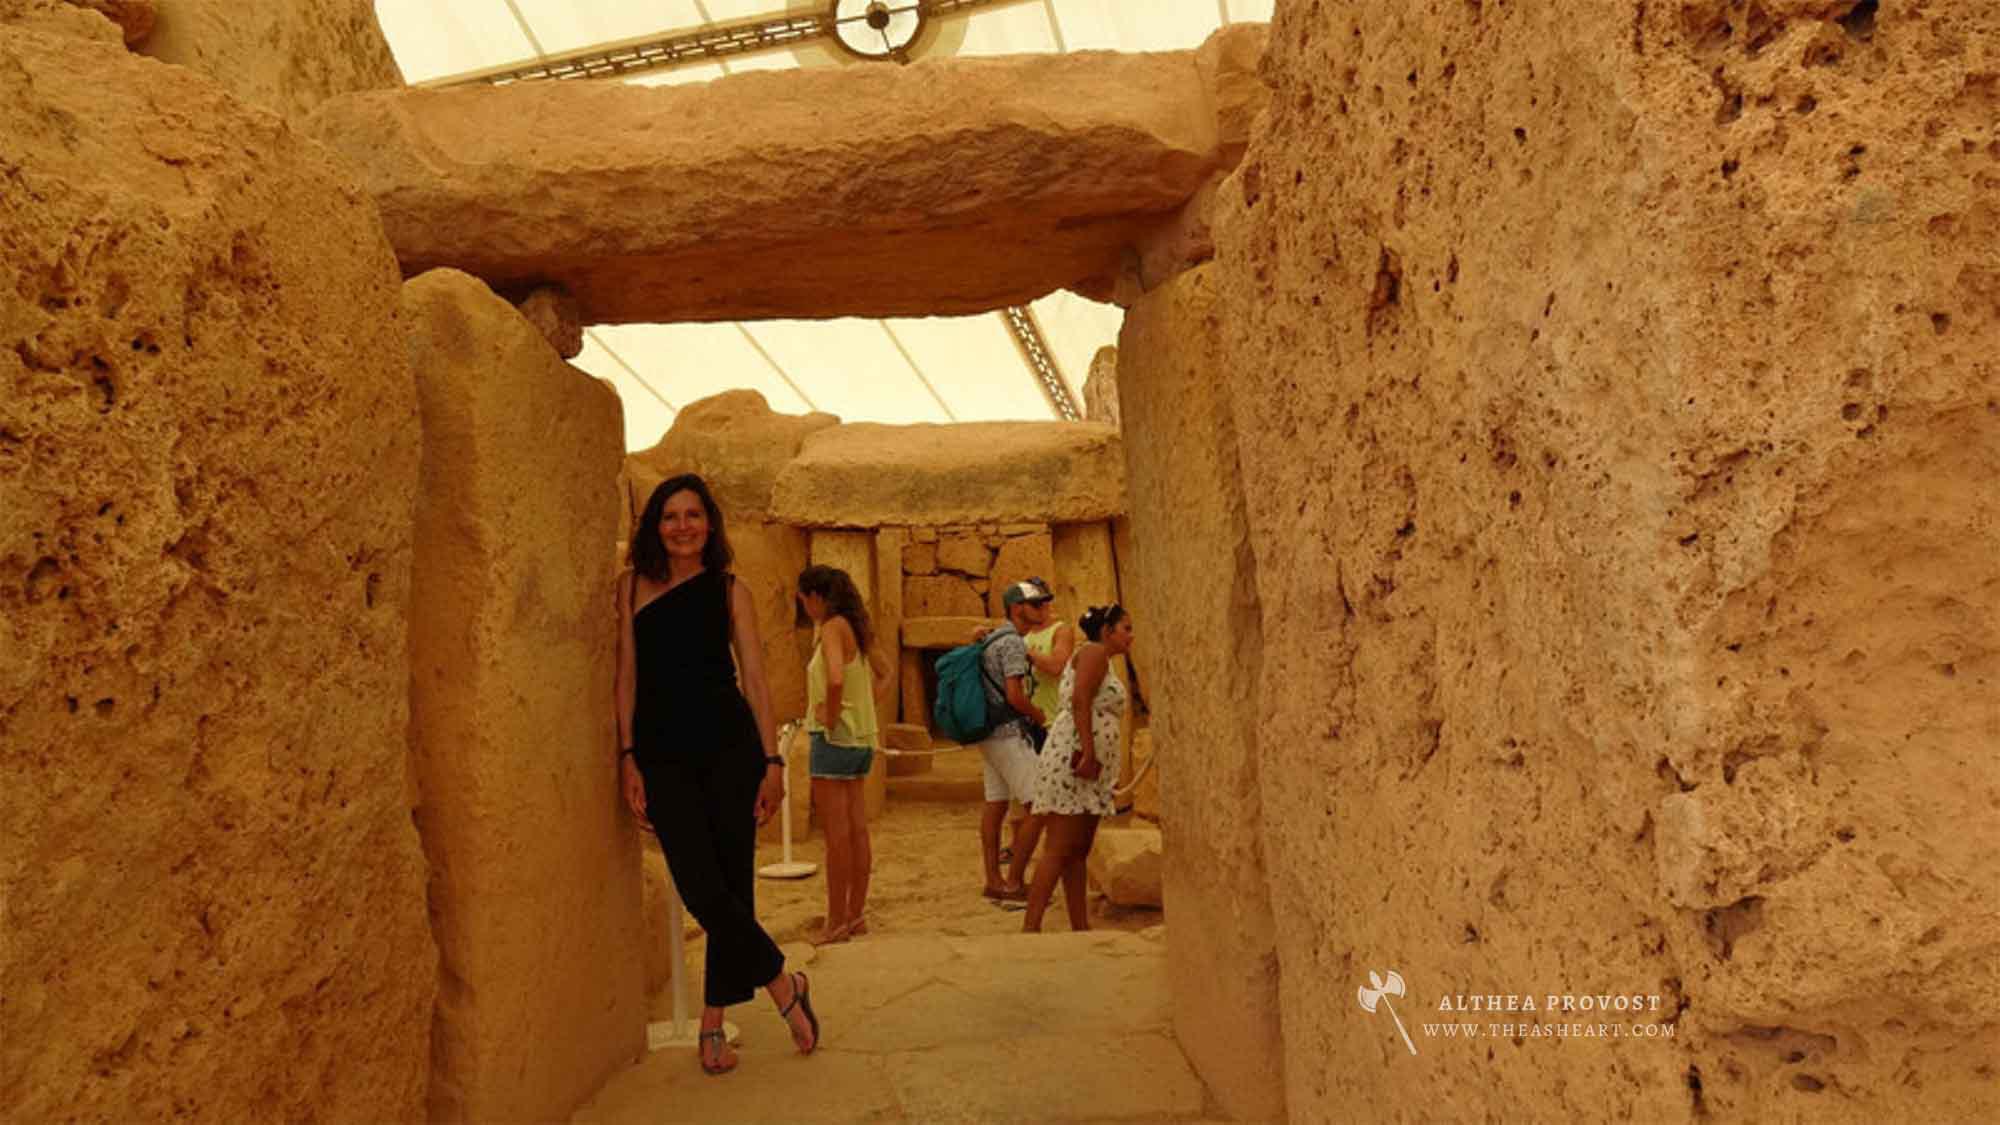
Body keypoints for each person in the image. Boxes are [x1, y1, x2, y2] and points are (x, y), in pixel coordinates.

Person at [616, 474, 819, 1076]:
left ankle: (712, 1026)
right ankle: (785, 984)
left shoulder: (732, 590)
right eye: (671, 516)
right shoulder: (629, 588)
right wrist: (627, 755)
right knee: (701, 887)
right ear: (655, 525)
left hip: (730, 749)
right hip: (663, 754)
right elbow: (625, 677)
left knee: (732, 884)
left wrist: (773, 761)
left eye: (693, 515)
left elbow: (755, 680)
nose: (683, 526)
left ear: (710, 524)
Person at [1023, 604, 1136, 933]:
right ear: (1107, 631)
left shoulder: (1101, 659)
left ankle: (1080, 926)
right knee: (1059, 847)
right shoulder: (1094, 654)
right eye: (1125, 628)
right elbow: (1080, 700)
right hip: (1074, 759)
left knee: (1078, 850)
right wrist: (1087, 750)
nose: (1130, 635)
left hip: (1087, 765)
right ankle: (1030, 928)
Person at [795, 564, 885, 945]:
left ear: (816, 597)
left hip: (834, 740)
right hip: (861, 739)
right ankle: (855, 915)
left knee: (837, 836)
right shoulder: (858, 629)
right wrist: (861, 709)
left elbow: (833, 678)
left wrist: (831, 716)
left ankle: (836, 922)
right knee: (856, 829)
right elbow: (886, 672)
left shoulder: (832, 628)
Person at [975, 580, 1054, 903]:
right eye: (1037, 605)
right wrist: (1040, 716)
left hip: (988, 734)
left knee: (995, 806)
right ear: (1017, 608)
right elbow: (1014, 695)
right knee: (1042, 804)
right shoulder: (1012, 644)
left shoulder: (993, 638)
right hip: (1008, 734)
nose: (1045, 610)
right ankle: (1014, 882)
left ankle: (993, 879)